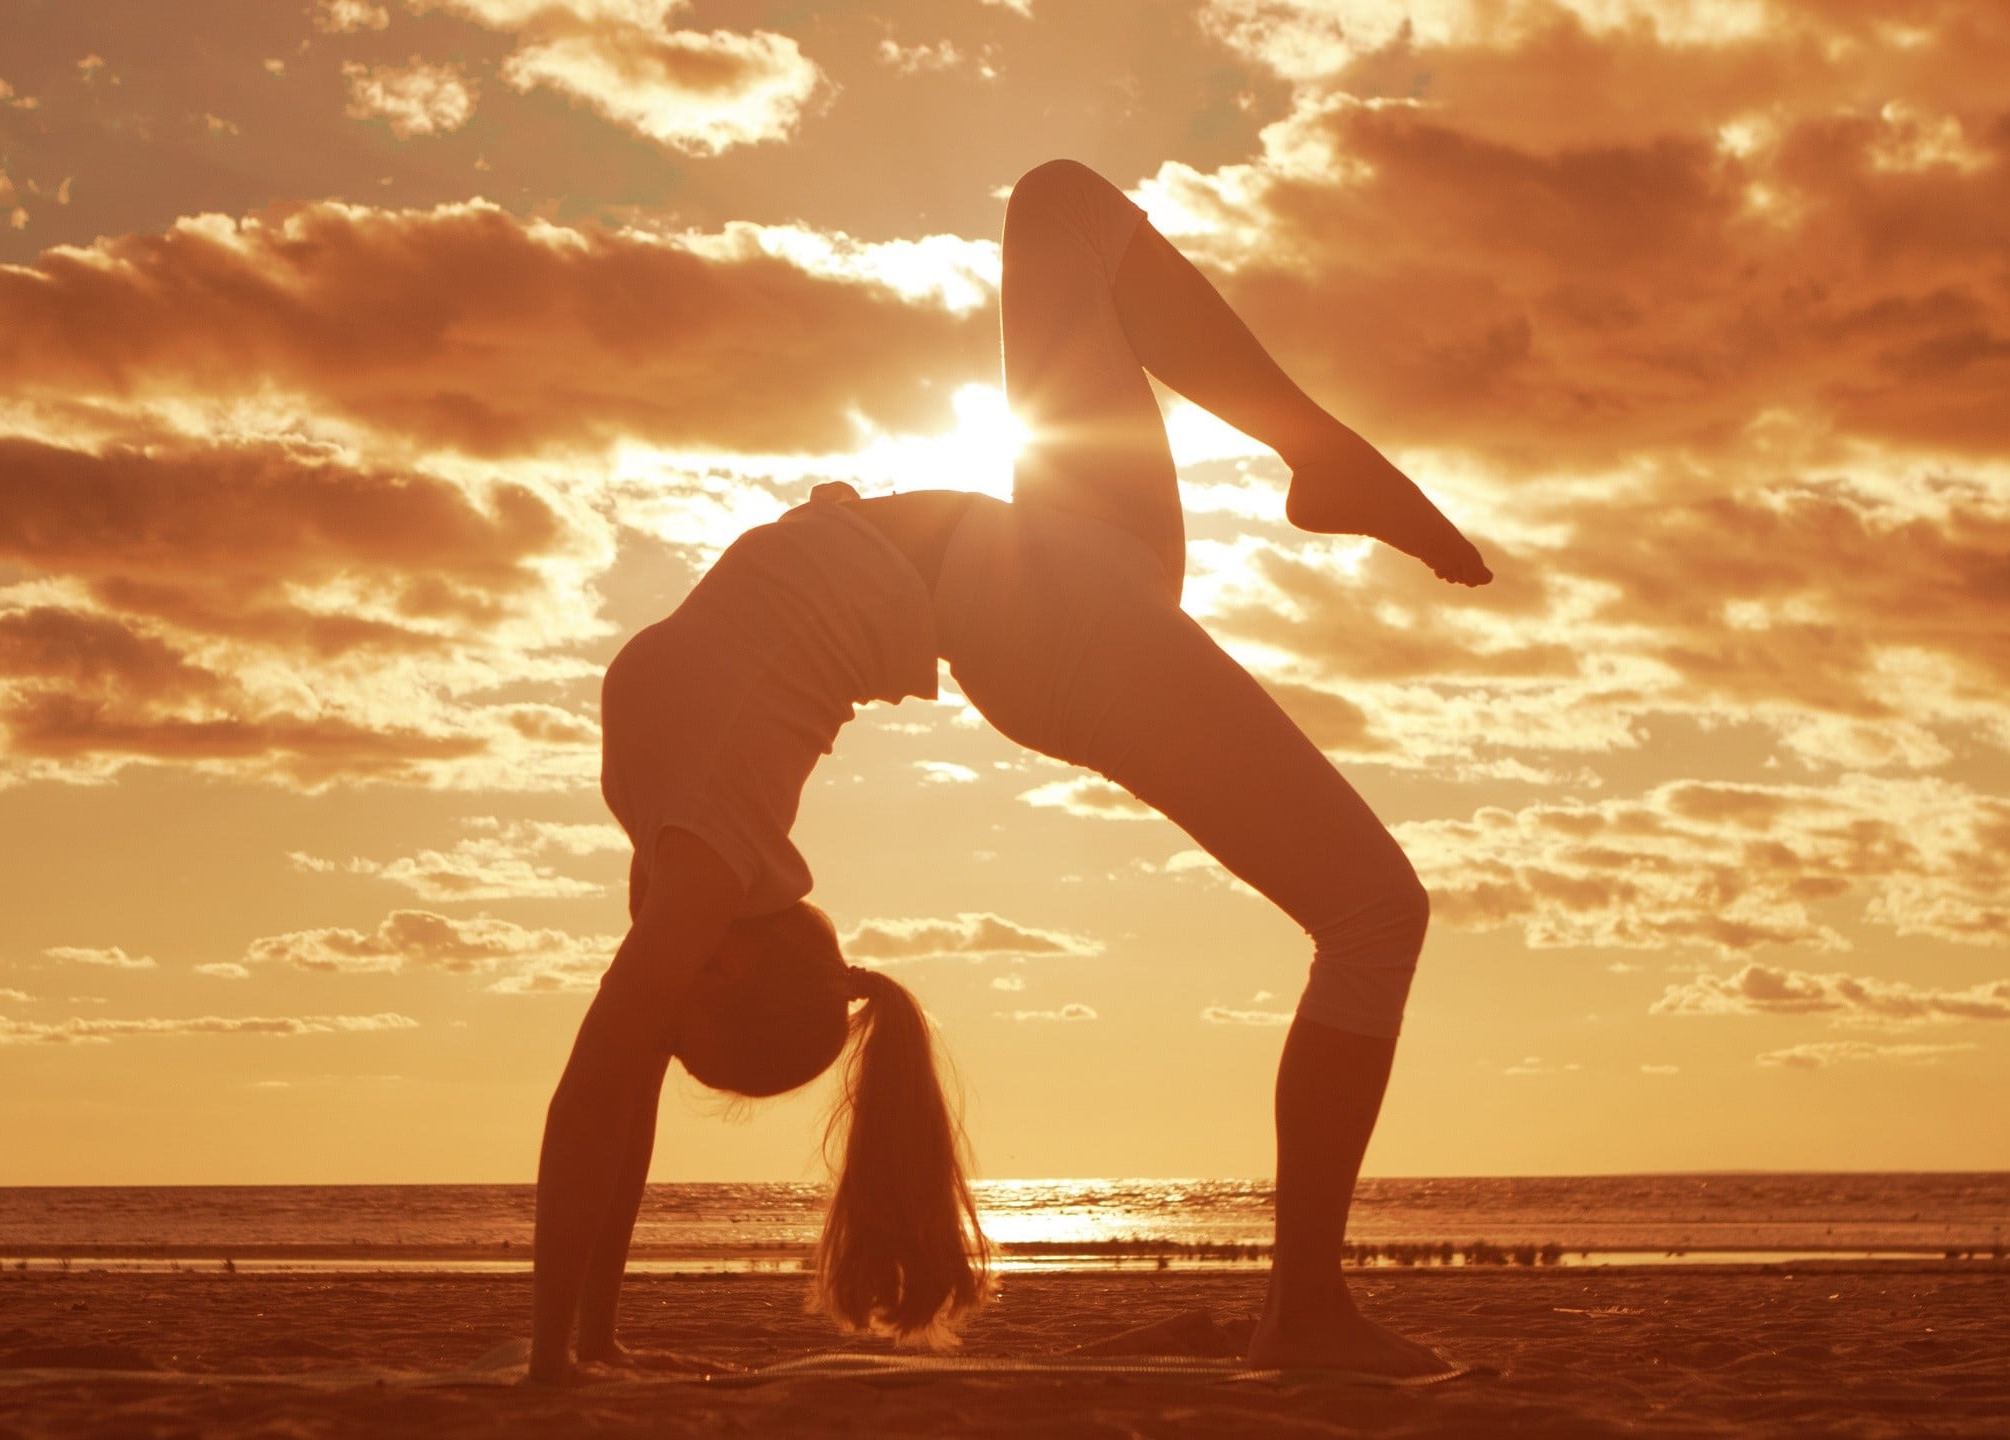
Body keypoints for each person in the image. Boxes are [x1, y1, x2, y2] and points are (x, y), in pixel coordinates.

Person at [526, 159, 1489, 1384]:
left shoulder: (679, 846)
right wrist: (557, 1365)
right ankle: (1302, 1309)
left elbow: (614, 1092)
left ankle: (1317, 453)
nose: (648, 1010)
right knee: (1374, 911)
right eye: (677, 1020)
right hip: (1045, 619)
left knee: (1063, 210)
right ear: (713, 977)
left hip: (1045, 563)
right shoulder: (705, 855)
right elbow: (602, 1087)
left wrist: (586, 1343)